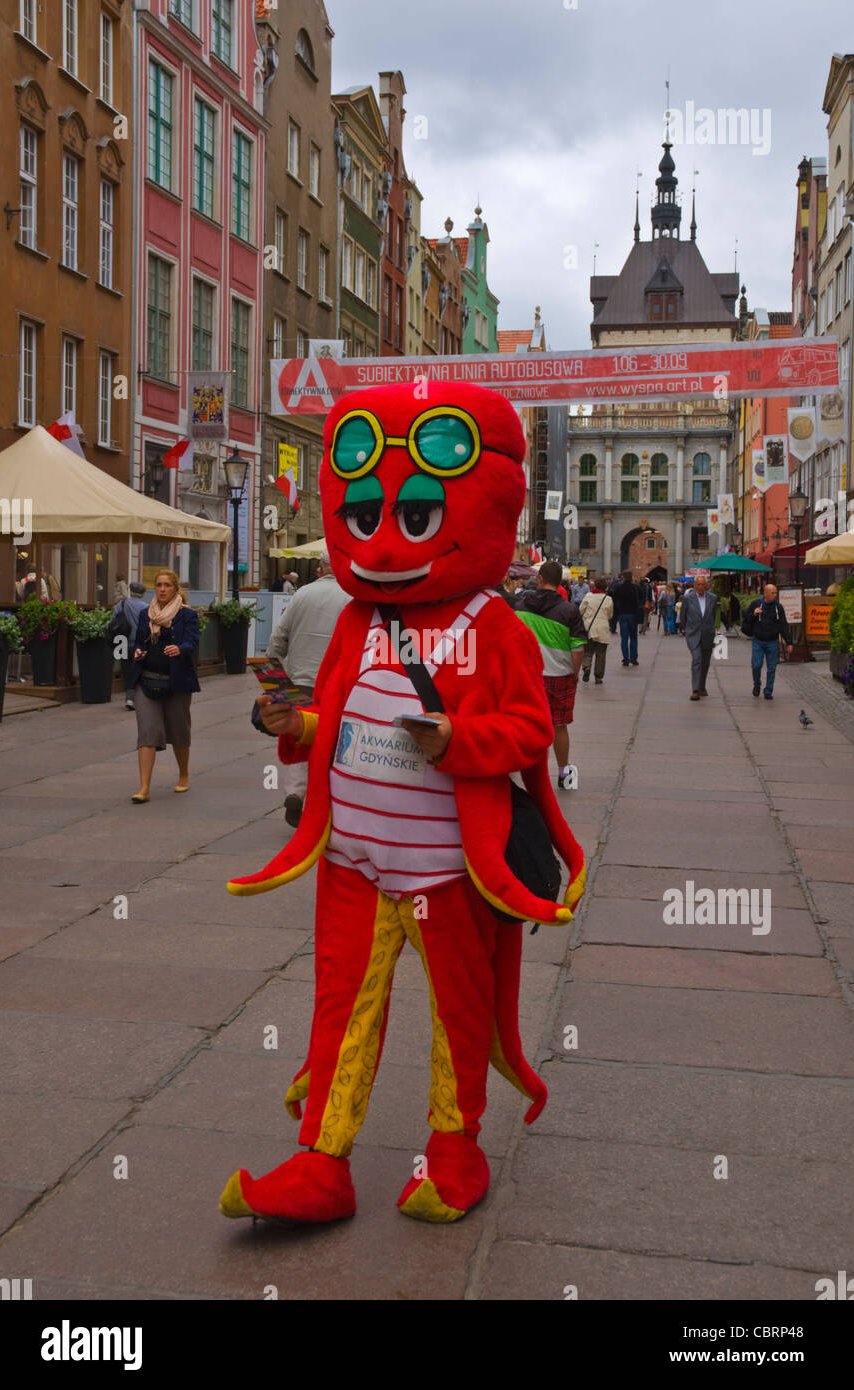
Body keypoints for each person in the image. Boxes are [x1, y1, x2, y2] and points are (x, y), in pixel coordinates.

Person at [219, 380, 585, 1229]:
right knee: (339, 1003)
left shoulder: (494, 624)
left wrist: (457, 742)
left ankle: (455, 1147)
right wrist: (295, 722)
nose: (385, 545)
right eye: (366, 519)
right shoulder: (355, 619)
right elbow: (340, 721)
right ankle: (322, 1158)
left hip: (449, 863)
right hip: (351, 860)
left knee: (458, 1006)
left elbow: (529, 729)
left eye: (416, 518)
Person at [264, 552, 352, 825]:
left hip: (299, 679)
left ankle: (296, 793)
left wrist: (275, 688)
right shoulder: (353, 598)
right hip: (337, 684)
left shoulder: (301, 594)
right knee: (335, 741)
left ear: (321, 569)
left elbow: (277, 642)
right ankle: (329, 802)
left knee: (299, 733)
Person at [129, 570, 200, 801]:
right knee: (147, 732)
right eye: (158, 585)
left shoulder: (186, 615)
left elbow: (193, 640)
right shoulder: (145, 615)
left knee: (179, 732)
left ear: (175, 588)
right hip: (147, 679)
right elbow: (139, 641)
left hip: (176, 682)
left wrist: (181, 648)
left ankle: (184, 775)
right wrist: (138, 651)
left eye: (167, 585)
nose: (161, 589)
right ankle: (144, 788)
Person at [515, 560, 586, 788]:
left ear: (540, 579)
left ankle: (526, 770)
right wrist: (574, 674)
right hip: (560, 676)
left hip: (527, 675)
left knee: (526, 722)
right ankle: (564, 772)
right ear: (561, 582)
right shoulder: (569, 610)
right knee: (559, 725)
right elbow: (577, 649)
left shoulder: (521, 605)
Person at [742, 583, 793, 700]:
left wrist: (789, 642)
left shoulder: (778, 607)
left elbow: (783, 625)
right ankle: (757, 684)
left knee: (772, 668)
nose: (775, 595)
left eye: (776, 592)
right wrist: (754, 614)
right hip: (758, 640)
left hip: (772, 641)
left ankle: (768, 691)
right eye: (773, 593)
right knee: (756, 665)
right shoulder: (756, 604)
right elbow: (746, 619)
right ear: (765, 593)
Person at [680, 574, 719, 700]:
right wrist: (684, 629)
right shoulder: (688, 598)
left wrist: (714, 629)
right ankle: (695, 689)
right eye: (698, 584)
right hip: (693, 634)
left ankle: (702, 686)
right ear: (694, 586)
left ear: (707, 585)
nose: (701, 587)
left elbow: (715, 615)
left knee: (705, 662)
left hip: (708, 633)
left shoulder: (713, 598)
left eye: (703, 584)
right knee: (697, 659)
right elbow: (683, 614)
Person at [111, 581, 149, 709]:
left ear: (131, 591)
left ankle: (129, 697)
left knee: (126, 670)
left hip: (122, 642)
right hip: (140, 643)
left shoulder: (121, 604)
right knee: (138, 670)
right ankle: (134, 698)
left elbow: (113, 621)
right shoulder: (146, 607)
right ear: (142, 594)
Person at [579, 578, 614, 684]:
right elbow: (610, 615)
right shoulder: (608, 599)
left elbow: (581, 610)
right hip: (603, 629)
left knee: (588, 652)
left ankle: (586, 668)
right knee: (601, 654)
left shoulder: (588, 596)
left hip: (589, 628)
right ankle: (598, 677)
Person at [610, 569, 642, 666]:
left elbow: (614, 599)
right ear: (631, 577)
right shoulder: (635, 587)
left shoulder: (618, 588)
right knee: (633, 637)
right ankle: (634, 658)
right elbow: (640, 598)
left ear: (623, 577)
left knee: (624, 638)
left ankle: (626, 659)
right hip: (633, 614)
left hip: (622, 614)